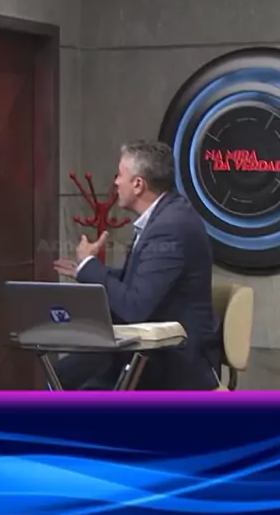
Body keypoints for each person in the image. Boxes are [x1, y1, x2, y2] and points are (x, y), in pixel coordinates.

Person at [54, 140, 222, 390]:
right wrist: (85, 270)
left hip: (173, 362)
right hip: (147, 349)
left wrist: (90, 265)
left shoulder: (170, 227)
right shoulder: (164, 216)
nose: (115, 182)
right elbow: (140, 282)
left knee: (73, 384)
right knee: (62, 374)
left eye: (120, 175)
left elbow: (134, 307)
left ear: (138, 184)